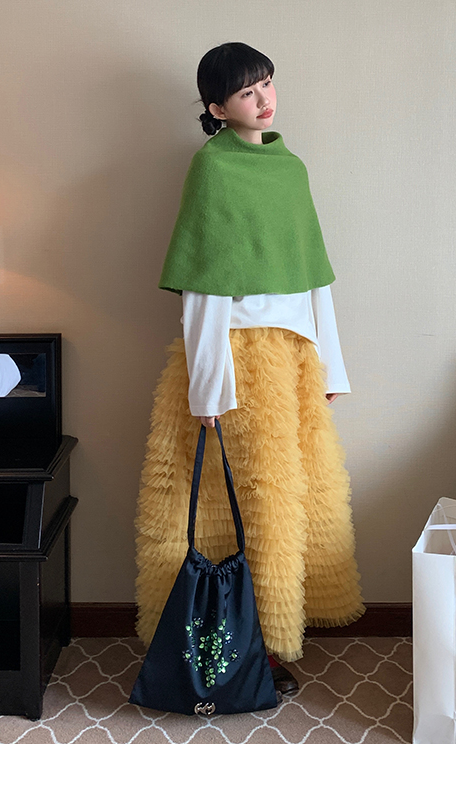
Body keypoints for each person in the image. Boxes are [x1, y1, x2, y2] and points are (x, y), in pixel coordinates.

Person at [135, 42, 364, 698]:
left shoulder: (290, 168)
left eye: (267, 84)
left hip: (293, 359)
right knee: (244, 500)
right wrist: (208, 384)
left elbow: (314, 276)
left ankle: (269, 640)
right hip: (237, 359)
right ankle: (239, 645)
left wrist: (330, 366)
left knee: (289, 495)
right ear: (216, 108)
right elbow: (205, 288)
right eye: (245, 92)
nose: (263, 100)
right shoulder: (212, 169)